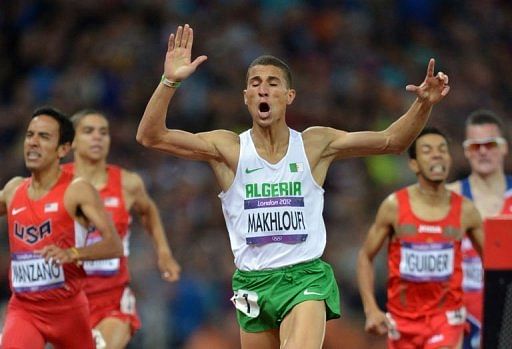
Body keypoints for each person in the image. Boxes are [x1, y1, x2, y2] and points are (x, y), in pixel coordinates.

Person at [136, 23, 450, 349]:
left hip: (305, 278)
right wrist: (169, 80)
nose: (263, 89)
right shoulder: (228, 149)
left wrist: (423, 104)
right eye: (255, 83)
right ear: (245, 97)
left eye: (273, 83)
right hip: (252, 284)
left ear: (289, 96)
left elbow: (392, 141)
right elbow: (150, 136)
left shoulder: (314, 145)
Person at [0, 106, 123, 349]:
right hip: (24, 309)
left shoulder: (77, 190)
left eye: (44, 137)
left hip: (68, 311)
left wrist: (72, 254)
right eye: (29, 135)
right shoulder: (14, 189)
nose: (33, 142)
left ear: (63, 149)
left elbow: (114, 245)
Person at [62, 109, 181, 349]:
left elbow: (148, 210)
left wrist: (163, 252)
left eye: (103, 132)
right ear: (72, 141)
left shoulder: (128, 183)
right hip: (66, 299)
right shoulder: (56, 182)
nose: (98, 137)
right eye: (88, 131)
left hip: (112, 299)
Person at [357, 128, 484, 349]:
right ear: (414, 164)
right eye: (427, 150)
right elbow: (365, 257)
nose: (437, 155)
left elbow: (496, 263)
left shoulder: (466, 211)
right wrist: (371, 309)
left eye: (442, 150)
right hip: (402, 321)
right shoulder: (394, 207)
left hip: (447, 318)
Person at [446, 109, 511, 349]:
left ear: (503, 147)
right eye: (475, 146)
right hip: (459, 317)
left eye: (490, 144)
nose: (483, 151)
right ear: (466, 152)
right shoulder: (449, 198)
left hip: (508, 312)